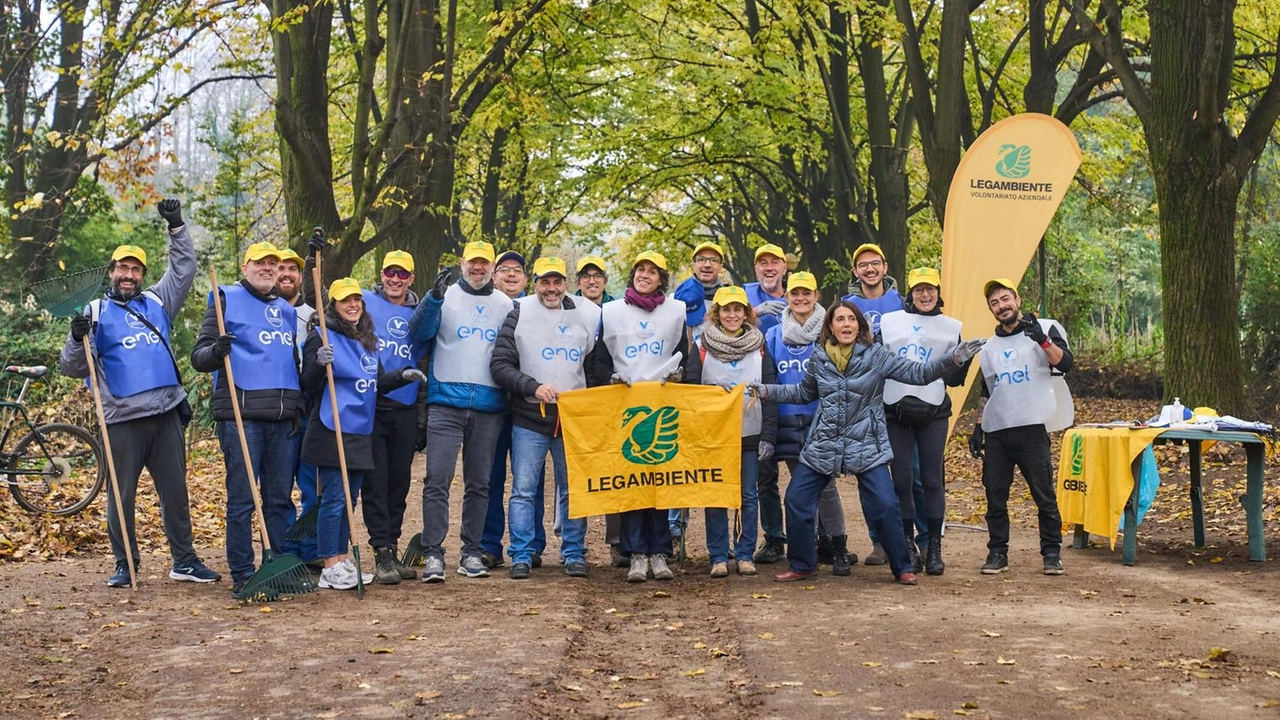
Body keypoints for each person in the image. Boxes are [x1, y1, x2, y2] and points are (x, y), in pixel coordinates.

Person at [755, 300, 983, 585]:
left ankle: (902, 566)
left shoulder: (876, 355)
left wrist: (954, 359)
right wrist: (765, 390)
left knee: (886, 504)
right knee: (797, 499)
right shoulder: (819, 357)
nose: (846, 324)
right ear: (831, 327)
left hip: (866, 443)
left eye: (851, 319)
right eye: (840, 320)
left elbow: (919, 374)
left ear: (860, 326)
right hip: (824, 442)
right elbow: (803, 392)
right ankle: (803, 564)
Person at [59, 199, 220, 588]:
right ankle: (125, 563)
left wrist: (177, 227)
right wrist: (75, 336)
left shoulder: (157, 301)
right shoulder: (94, 312)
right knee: (121, 495)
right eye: (122, 268)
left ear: (142, 274)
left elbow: (183, 269)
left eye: (135, 269)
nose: (128, 274)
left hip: (165, 413)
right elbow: (73, 367)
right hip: (121, 418)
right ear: (111, 272)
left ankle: (184, 561)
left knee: (176, 494)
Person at [191, 242, 304, 598]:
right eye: (261, 263)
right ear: (246, 266)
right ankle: (242, 572)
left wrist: (297, 407)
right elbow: (199, 357)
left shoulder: (286, 310)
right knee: (242, 499)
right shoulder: (225, 299)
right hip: (242, 415)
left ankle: (275, 565)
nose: (268, 268)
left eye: (274, 263)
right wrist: (216, 350)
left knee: (279, 499)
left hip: (283, 416)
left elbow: (292, 362)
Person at [299, 278, 422, 590]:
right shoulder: (322, 336)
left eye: (356, 300)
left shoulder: (367, 339)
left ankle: (341, 559)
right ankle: (329, 563)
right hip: (332, 427)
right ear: (335, 306)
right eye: (345, 301)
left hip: (359, 430)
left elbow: (377, 382)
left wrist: (402, 376)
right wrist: (317, 362)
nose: (352, 305)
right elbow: (308, 384)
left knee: (349, 499)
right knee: (335, 498)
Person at [490, 257, 602, 579]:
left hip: (571, 420)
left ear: (566, 283)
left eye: (557, 282)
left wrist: (591, 406)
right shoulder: (519, 312)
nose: (551, 289)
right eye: (544, 282)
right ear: (534, 283)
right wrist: (532, 387)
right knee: (524, 489)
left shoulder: (586, 315)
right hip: (529, 417)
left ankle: (573, 552)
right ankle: (522, 554)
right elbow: (500, 366)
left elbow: (593, 369)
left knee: (572, 490)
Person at [410, 240, 515, 582]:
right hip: (445, 403)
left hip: (489, 405)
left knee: (479, 483)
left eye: (485, 263)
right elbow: (419, 334)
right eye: (473, 262)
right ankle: (433, 554)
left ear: (492, 268)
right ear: (462, 262)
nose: (478, 268)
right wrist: (433, 299)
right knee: (437, 480)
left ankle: (471, 552)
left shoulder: (505, 304)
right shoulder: (445, 296)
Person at [587, 250, 688, 583]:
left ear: (662, 278)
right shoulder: (612, 311)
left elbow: (684, 358)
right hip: (625, 407)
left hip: (662, 406)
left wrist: (679, 376)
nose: (645, 274)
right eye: (640, 269)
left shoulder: (676, 312)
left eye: (652, 271)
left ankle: (660, 552)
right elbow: (599, 361)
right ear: (632, 275)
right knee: (631, 481)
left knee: (659, 481)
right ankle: (636, 555)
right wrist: (611, 379)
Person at [968, 278, 1073, 576]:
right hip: (999, 429)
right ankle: (997, 552)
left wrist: (1041, 338)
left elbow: (1065, 364)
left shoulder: (1044, 329)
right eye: (994, 303)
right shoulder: (989, 347)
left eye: (1005, 299)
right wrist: (979, 428)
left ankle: (1051, 552)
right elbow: (987, 389)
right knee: (995, 494)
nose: (1001, 306)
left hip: (1032, 426)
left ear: (1017, 298)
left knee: (1044, 495)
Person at [759, 272, 855, 575]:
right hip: (787, 419)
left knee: (824, 487)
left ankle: (837, 548)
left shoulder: (829, 332)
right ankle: (809, 548)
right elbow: (770, 380)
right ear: (787, 296)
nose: (801, 299)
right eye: (795, 294)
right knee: (800, 487)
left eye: (807, 294)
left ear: (816, 296)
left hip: (821, 418)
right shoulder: (773, 334)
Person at [880, 268, 970, 576]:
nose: (925, 295)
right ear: (910, 293)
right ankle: (908, 545)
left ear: (938, 291)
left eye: (930, 289)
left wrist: (961, 361)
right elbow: (878, 365)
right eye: (919, 289)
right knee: (901, 480)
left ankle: (934, 547)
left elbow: (956, 380)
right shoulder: (890, 323)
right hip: (896, 409)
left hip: (933, 411)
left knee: (932, 479)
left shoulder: (950, 327)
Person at [684, 286, 777, 577]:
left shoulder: (760, 345)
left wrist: (769, 436)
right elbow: (688, 387)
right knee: (716, 496)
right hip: (713, 436)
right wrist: (710, 392)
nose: (732, 315)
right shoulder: (701, 345)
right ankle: (718, 556)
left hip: (751, 432)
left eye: (738, 309)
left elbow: (770, 390)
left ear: (746, 313)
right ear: (717, 314)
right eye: (726, 309)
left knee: (748, 496)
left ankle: (745, 554)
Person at [479, 249, 550, 571]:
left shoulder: (539, 310)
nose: (510, 275)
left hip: (530, 411)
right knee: (490, 477)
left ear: (526, 280)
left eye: (517, 271)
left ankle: (532, 544)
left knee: (530, 481)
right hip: (492, 405)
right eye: (504, 269)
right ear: (494, 275)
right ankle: (489, 544)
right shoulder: (485, 305)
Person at [361, 250, 427, 583]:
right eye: (390, 272)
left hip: (405, 406)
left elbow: (427, 362)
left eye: (402, 274)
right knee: (376, 481)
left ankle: (394, 544)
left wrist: (422, 417)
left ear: (411, 279)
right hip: (372, 404)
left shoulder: (420, 314)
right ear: (382, 273)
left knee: (399, 483)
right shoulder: (365, 303)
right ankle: (380, 552)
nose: (395, 280)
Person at [840, 242, 903, 565]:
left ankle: (908, 538)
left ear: (885, 266)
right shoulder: (846, 307)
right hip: (862, 400)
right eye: (862, 264)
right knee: (868, 472)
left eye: (874, 263)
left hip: (899, 396)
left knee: (906, 474)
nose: (869, 269)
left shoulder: (902, 305)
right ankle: (879, 541)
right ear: (855, 271)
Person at [667, 241, 728, 547]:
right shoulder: (679, 298)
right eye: (701, 259)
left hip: (720, 394)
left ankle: (721, 541)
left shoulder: (731, 297)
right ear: (693, 264)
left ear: (721, 266)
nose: (707, 264)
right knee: (680, 460)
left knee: (717, 462)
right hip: (687, 387)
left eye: (713, 260)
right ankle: (675, 529)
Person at [574, 255, 623, 566]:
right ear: (577, 282)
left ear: (605, 280)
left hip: (612, 400)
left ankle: (618, 543)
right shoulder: (565, 308)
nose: (592, 281)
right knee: (573, 474)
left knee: (616, 472)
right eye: (585, 276)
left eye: (597, 276)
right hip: (574, 400)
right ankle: (571, 545)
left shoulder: (618, 311)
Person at [275, 244, 321, 564]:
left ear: (300, 276)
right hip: (275, 408)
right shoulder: (259, 311)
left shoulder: (314, 316)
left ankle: (311, 549)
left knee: (312, 485)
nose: (286, 273)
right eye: (280, 268)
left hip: (309, 407)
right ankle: (285, 550)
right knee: (278, 487)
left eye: (292, 269)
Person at [744, 243, 789, 334]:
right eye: (763, 263)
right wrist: (754, 312)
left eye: (775, 263)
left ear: (784, 269)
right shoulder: (744, 294)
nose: (769, 268)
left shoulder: (799, 296)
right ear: (756, 270)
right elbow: (729, 325)